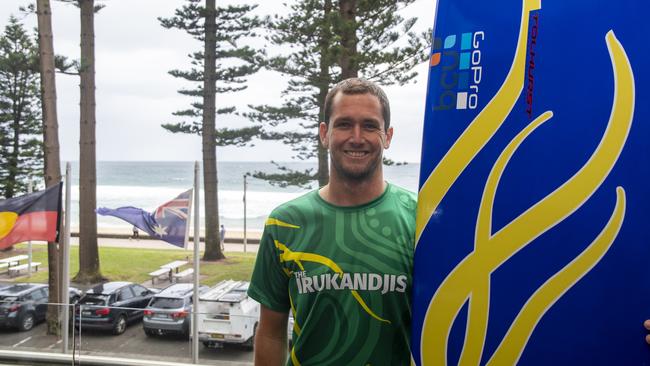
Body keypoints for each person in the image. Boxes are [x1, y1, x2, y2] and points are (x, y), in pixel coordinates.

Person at [248, 78, 416, 365]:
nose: (357, 136)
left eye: (370, 125)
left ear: (387, 136)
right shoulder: (284, 224)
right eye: (344, 124)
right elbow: (271, 333)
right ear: (324, 133)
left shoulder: (420, 220)